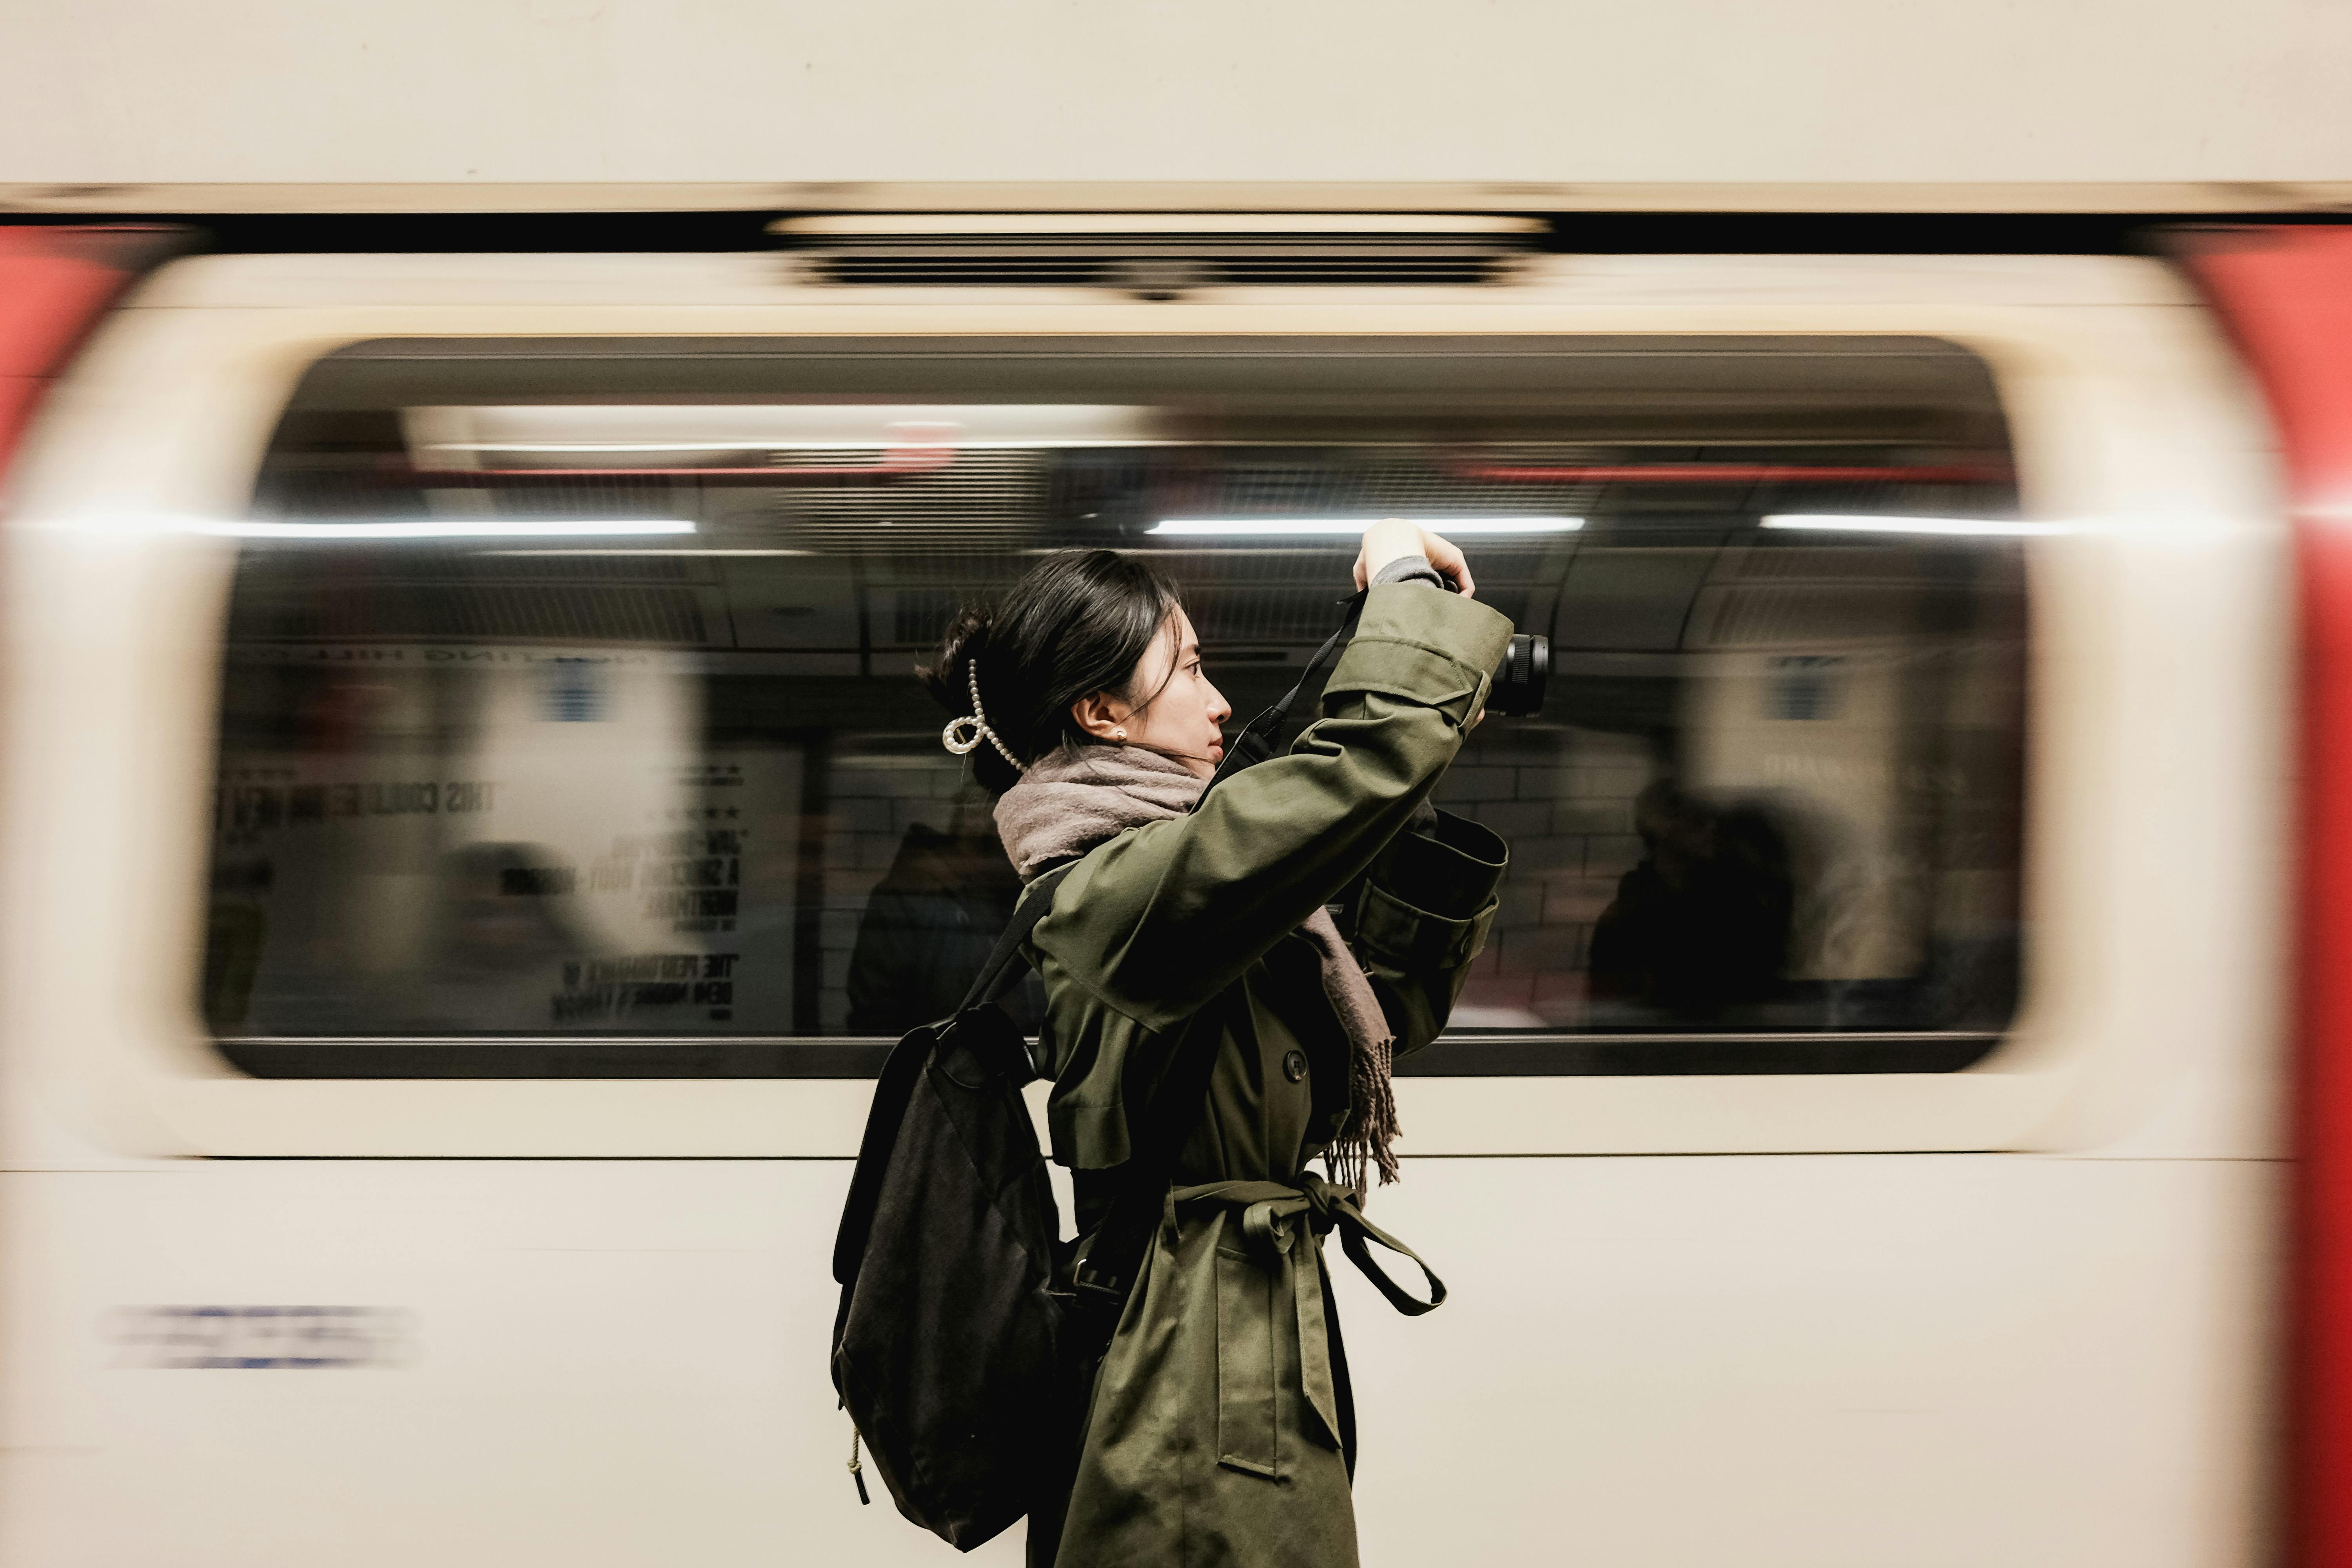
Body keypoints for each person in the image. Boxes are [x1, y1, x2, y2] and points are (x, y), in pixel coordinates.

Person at [922, 524, 1513, 1568]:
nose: (1222, 703)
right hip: (1186, 1368)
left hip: (1240, 1336)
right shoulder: (1115, 895)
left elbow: (1381, 1029)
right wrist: (1403, 592)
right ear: (1101, 713)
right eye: (1190, 670)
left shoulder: (1185, 884)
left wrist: (1412, 795)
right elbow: (1351, 770)